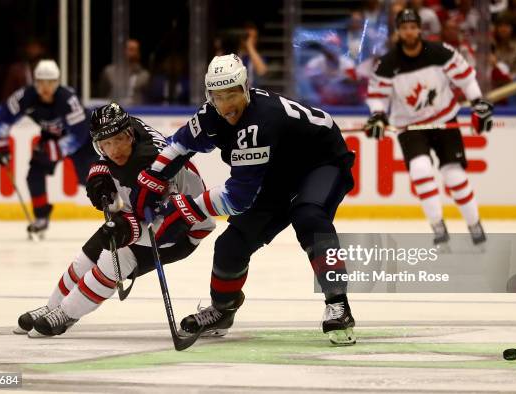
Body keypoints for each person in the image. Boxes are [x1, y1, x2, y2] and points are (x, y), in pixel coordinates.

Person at [133, 54, 357, 345]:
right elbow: (179, 146)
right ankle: (223, 309)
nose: (226, 105)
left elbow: (237, 198)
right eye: (218, 96)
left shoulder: (259, 123)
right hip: (275, 172)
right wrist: (152, 177)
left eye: (232, 94)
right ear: (209, 96)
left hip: (321, 162)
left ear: (246, 89)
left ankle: (338, 304)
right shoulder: (210, 115)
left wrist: (186, 207)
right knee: (231, 245)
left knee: (309, 216)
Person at [13, 103, 216, 337]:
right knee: (86, 257)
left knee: (117, 258)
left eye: (119, 140)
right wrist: (99, 173)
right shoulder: (129, 127)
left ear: (128, 134)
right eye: (106, 144)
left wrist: (127, 228)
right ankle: (51, 307)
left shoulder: (150, 162)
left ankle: (66, 313)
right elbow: (106, 160)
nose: (114, 149)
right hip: (152, 211)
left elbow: (162, 219)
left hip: (185, 226)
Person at [365, 9, 493, 246]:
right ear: (398, 31)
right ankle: (438, 226)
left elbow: (466, 77)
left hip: (444, 119)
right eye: (404, 28)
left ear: (419, 29)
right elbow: (376, 95)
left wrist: (478, 103)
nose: (409, 32)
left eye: (413, 27)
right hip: (410, 126)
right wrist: (378, 115)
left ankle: (474, 224)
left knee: (454, 175)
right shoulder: (388, 63)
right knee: (420, 170)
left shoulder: (440, 52)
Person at [0, 59, 96, 237]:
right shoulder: (25, 97)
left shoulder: (68, 100)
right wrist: (0, 143)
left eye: (51, 82)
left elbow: (79, 133)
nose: (46, 87)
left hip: (83, 138)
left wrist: (54, 150)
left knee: (89, 179)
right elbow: (5, 116)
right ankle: (41, 217)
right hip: (51, 137)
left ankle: (117, 206)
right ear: (35, 81)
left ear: (58, 82)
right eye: (41, 82)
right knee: (35, 174)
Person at [99, 39, 150, 105]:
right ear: (123, 51)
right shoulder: (109, 71)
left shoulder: (144, 75)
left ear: (139, 53)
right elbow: (103, 92)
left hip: (137, 111)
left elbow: (148, 97)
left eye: (135, 50)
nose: (132, 53)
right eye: (130, 49)